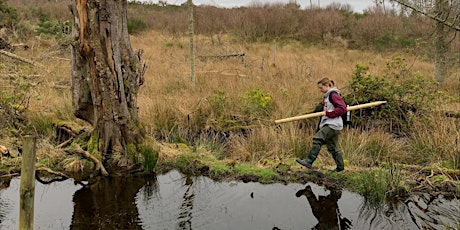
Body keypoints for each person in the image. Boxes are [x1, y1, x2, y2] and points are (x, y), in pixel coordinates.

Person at [296, 78, 346, 172]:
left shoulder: (333, 95)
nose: (320, 90)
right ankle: (340, 168)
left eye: (321, 88)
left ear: (327, 86)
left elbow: (342, 109)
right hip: (333, 125)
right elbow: (324, 107)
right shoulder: (327, 97)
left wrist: (329, 114)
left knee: (318, 138)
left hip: (332, 124)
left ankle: (309, 161)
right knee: (333, 148)